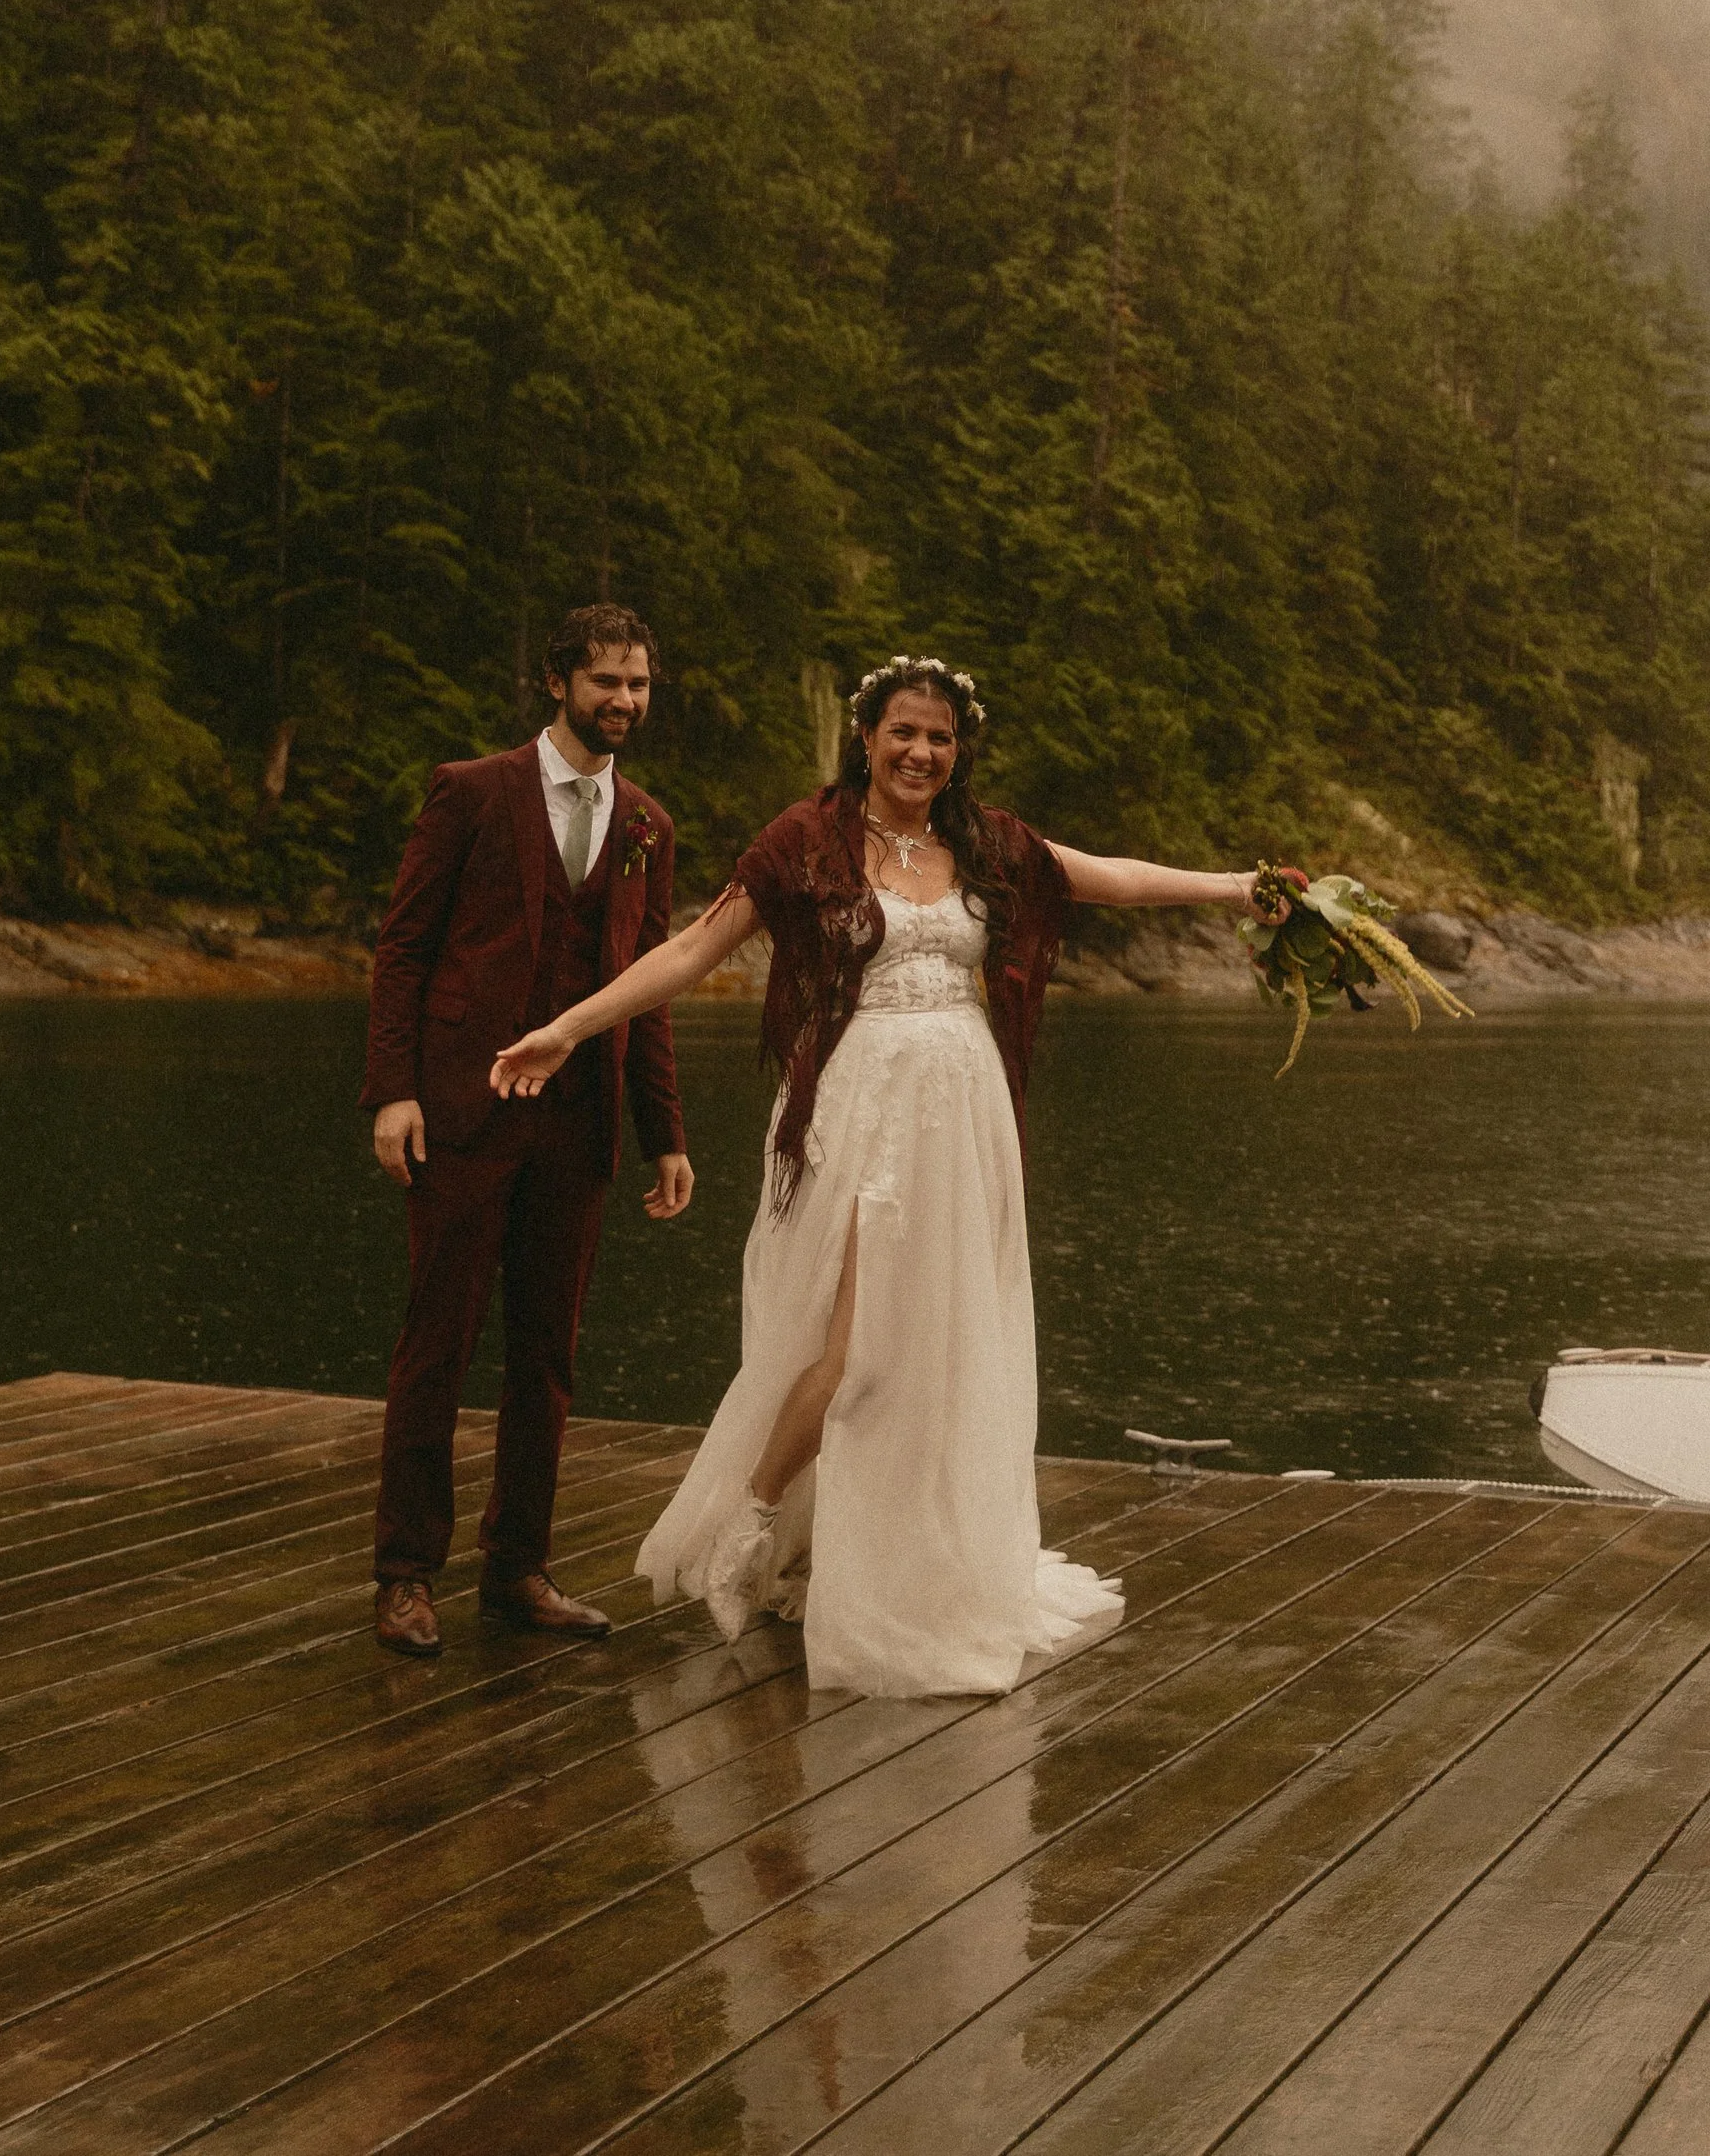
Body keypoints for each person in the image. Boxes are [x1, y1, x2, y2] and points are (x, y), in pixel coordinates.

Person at [491, 653, 1267, 1700]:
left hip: (965, 1114)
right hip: (863, 1109)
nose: (920, 752)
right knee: (853, 1347)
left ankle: (898, 1554)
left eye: (940, 737)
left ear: (958, 751)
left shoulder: (981, 842)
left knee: (937, 1348)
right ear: (864, 736)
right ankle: (747, 1529)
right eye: (903, 731)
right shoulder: (805, 843)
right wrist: (568, 1030)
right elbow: (690, 952)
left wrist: (1240, 889)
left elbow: (1105, 876)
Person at [363, 603, 693, 1658]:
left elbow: (647, 990)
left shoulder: (647, 825)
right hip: (458, 1112)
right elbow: (403, 950)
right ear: (558, 681)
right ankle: (407, 1573)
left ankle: (518, 1569)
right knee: (437, 1343)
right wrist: (393, 1092)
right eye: (607, 682)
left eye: (639, 684)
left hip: (578, 1125)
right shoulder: (470, 792)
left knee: (546, 1357)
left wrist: (664, 1135)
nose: (625, 702)